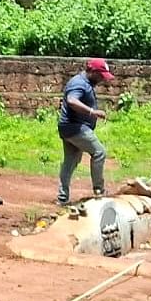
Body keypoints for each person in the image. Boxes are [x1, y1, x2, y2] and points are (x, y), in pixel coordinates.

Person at [56, 58, 114, 206]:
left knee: (70, 161)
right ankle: (99, 190)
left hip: (68, 127)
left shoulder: (85, 82)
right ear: (92, 71)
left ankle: (62, 198)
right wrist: (92, 112)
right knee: (99, 152)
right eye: (100, 75)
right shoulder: (79, 83)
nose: (102, 79)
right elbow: (72, 101)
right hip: (76, 127)